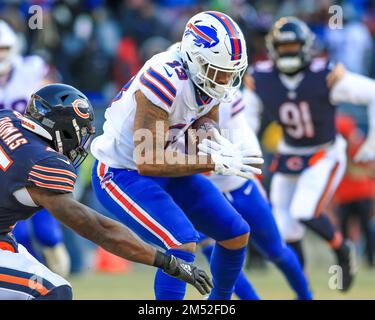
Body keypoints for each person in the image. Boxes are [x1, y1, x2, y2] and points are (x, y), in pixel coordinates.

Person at [90, 11, 263, 300]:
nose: (225, 79)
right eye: (219, 71)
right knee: (181, 242)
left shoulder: (207, 78)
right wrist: (214, 161)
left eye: (231, 72)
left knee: (236, 232)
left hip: (167, 167)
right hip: (122, 173)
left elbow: (205, 117)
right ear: (195, 59)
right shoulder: (163, 78)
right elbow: (148, 160)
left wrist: (212, 140)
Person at [0, 83, 212, 300]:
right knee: (54, 291)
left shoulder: (7, 118)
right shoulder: (44, 162)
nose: (80, 143)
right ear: (63, 128)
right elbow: (98, 229)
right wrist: (167, 262)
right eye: (80, 133)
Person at [243, 16, 375, 291]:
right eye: (283, 46)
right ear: (273, 48)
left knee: (305, 209)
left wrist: (372, 141)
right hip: (289, 151)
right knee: (284, 227)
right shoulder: (261, 78)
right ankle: (304, 292)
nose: (288, 52)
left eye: (293, 46)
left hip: (324, 152)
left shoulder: (325, 75)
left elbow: (372, 93)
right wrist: (246, 154)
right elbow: (247, 121)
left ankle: (342, 249)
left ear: (305, 47)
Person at [196, 91, 312, 300]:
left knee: (276, 251)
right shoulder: (173, 98)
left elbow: (254, 157)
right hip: (200, 193)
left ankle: (306, 297)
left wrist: (227, 159)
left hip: (241, 188)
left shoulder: (226, 99)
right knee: (220, 259)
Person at [0, 19, 70, 277]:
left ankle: (59, 283)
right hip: (4, 166)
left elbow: (56, 101)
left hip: (33, 159)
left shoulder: (33, 69)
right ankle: (33, 283)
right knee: (16, 235)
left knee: (48, 233)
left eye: (3, 49)